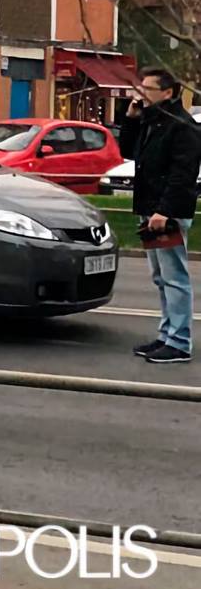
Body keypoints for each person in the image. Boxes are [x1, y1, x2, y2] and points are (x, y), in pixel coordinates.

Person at [118, 67, 198, 365]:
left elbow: (182, 174)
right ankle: (166, 334)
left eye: (148, 89)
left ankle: (179, 342)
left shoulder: (182, 126)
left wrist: (164, 210)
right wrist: (131, 119)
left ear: (168, 92)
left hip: (167, 213)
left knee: (174, 276)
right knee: (161, 277)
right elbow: (127, 152)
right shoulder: (153, 121)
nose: (142, 94)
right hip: (150, 210)